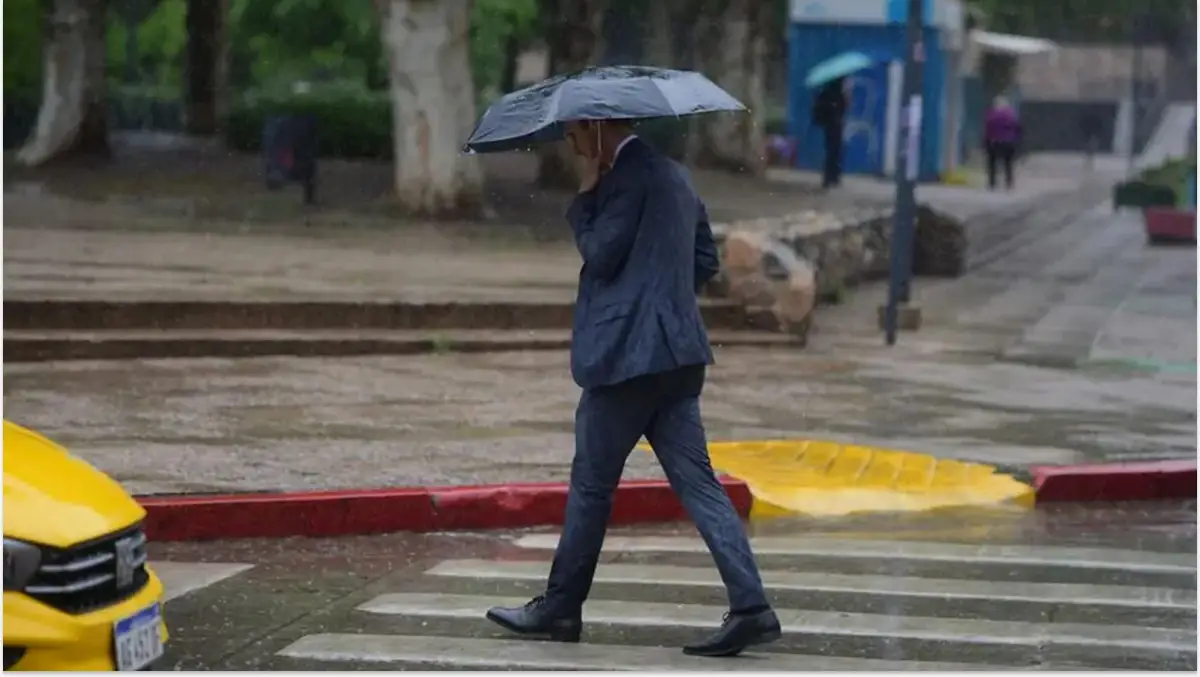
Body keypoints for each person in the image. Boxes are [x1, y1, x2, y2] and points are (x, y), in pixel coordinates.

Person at [484, 119, 780, 658]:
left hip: (628, 360)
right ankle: (752, 606)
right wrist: (661, 295)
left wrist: (585, 197)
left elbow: (601, 254)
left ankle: (560, 607)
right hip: (678, 356)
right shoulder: (675, 174)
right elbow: (705, 260)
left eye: (574, 134)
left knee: (591, 487)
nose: (572, 145)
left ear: (596, 127)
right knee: (700, 484)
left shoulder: (623, 179)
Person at [812, 77, 848, 188]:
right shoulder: (838, 95)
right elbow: (843, 109)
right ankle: (833, 177)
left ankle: (829, 177)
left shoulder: (825, 93)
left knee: (830, 152)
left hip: (828, 126)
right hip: (835, 126)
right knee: (835, 152)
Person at [984, 96, 1021, 190]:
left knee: (992, 162)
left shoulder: (991, 114)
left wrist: (987, 140)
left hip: (994, 141)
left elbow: (988, 127)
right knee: (1008, 163)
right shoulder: (1011, 114)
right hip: (1008, 141)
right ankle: (1009, 182)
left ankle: (992, 183)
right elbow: (1017, 127)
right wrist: (1016, 139)